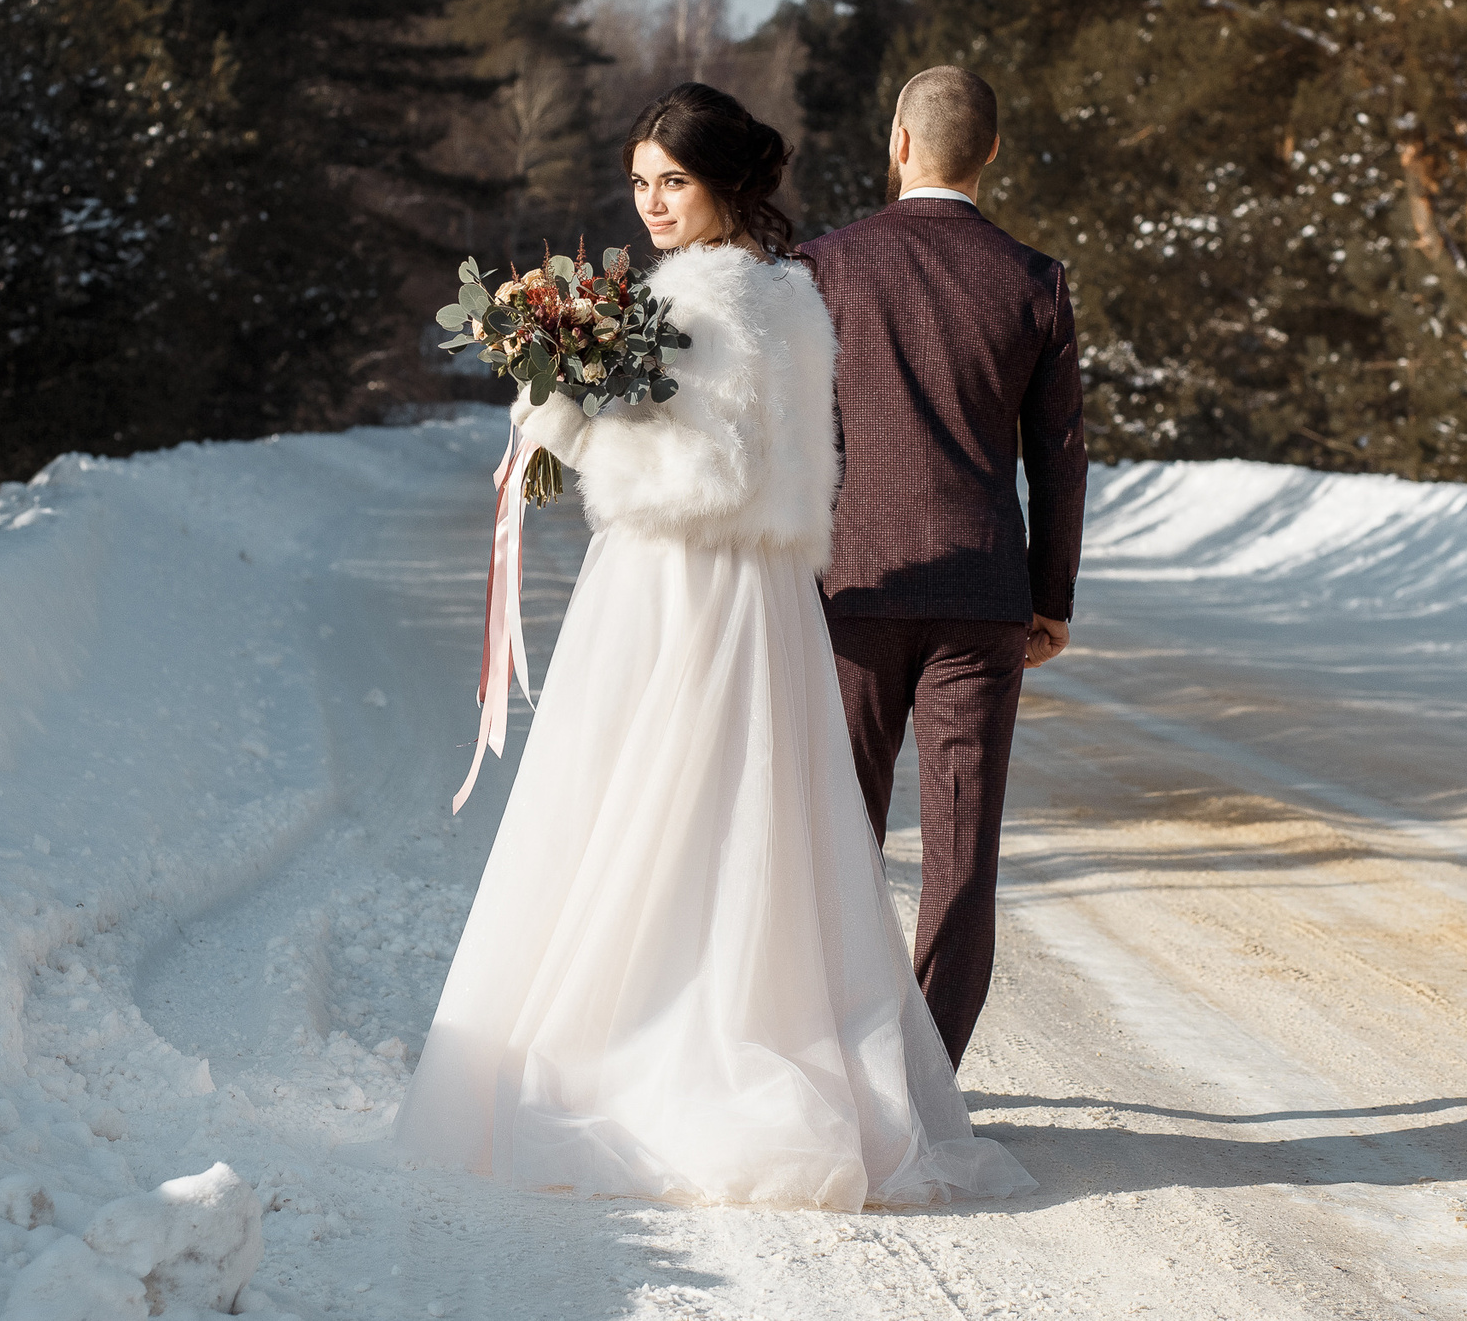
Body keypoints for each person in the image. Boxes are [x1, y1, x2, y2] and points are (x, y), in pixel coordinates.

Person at [393, 82, 1032, 1210]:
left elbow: (701, 475)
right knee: (741, 822)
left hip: (682, 584)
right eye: (640, 183)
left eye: (672, 182)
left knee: (649, 806)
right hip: (764, 591)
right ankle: (740, 1017)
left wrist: (561, 413)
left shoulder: (698, 298)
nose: (650, 205)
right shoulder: (788, 295)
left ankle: (644, 1046)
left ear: (723, 185)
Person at [802, 66, 1087, 1070]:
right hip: (981, 594)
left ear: (898, 141)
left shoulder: (823, 265)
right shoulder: (1033, 280)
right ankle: (925, 1077)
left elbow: (799, 436)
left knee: (836, 835)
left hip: (849, 588)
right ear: (991, 153)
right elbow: (1057, 455)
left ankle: (829, 1061)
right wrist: (1047, 599)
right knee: (961, 850)